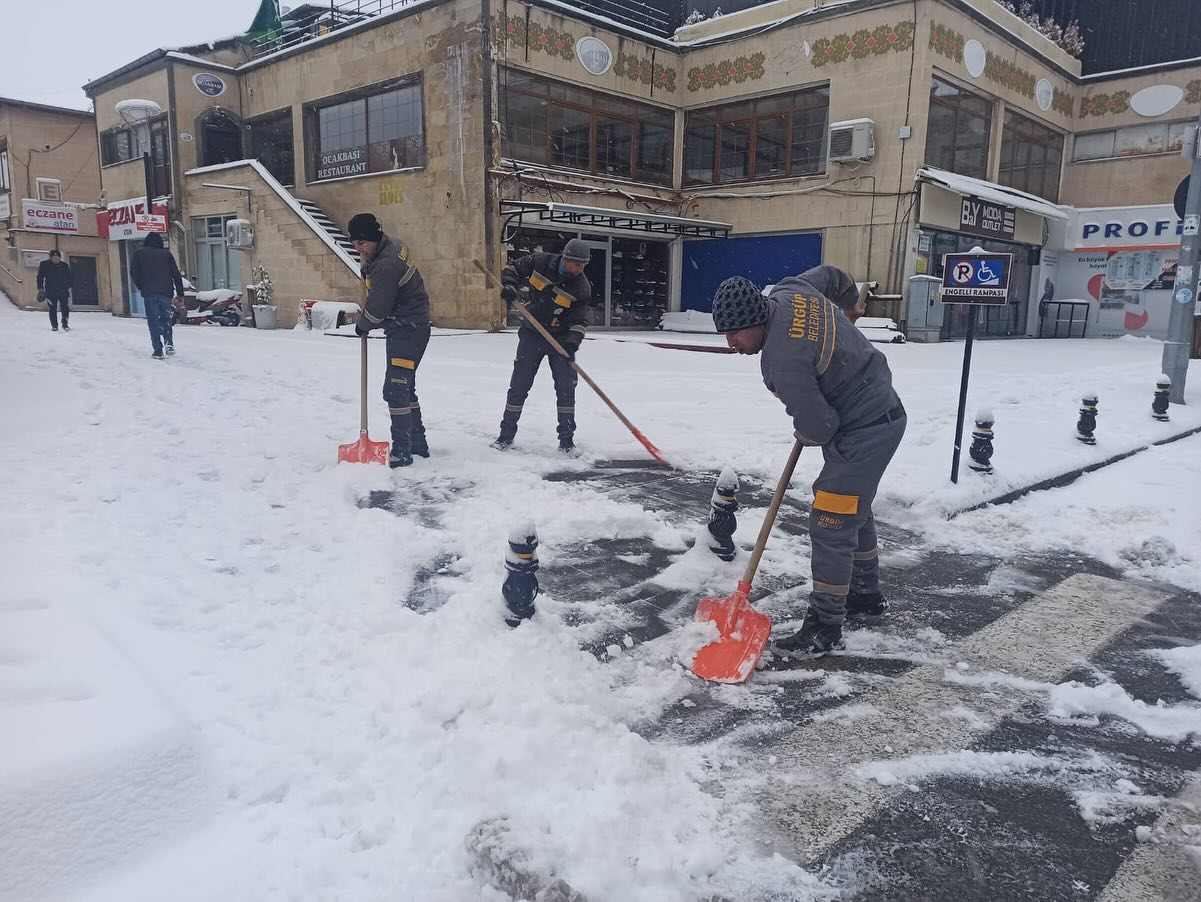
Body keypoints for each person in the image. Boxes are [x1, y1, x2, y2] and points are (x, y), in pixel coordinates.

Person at [710, 269, 906, 657]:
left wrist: (806, 429)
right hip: (881, 408)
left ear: (756, 319)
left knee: (831, 521)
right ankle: (865, 595)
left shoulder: (781, 362)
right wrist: (849, 305)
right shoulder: (791, 289)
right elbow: (835, 277)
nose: (731, 343)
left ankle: (824, 625)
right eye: (725, 334)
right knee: (852, 508)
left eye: (736, 333)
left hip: (864, 429)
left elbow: (820, 426)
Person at [492, 239, 592, 456]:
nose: (580, 269)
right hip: (532, 334)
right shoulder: (540, 262)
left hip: (561, 339)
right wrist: (510, 286)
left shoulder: (581, 286)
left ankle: (567, 442)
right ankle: (505, 437)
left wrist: (573, 342)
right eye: (577, 264)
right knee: (519, 386)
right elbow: (512, 268)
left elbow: (580, 320)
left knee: (566, 390)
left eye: (584, 265)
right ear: (566, 259)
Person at [348, 212, 431, 469]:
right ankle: (418, 444)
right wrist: (367, 267)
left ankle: (402, 452)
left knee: (395, 389)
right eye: (355, 244)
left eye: (362, 244)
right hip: (408, 325)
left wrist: (363, 325)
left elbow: (378, 307)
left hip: (408, 328)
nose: (358, 249)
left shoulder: (386, 263)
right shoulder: (390, 245)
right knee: (405, 388)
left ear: (374, 238)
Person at [130, 232, 183, 359]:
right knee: (166, 319)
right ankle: (169, 342)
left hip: (149, 293)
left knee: (153, 321)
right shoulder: (166, 254)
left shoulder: (139, 254)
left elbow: (134, 272)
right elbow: (176, 274)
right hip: (165, 292)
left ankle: (158, 350)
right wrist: (180, 293)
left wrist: (141, 285)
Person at [37, 250, 72, 332]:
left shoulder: (64, 265)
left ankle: (65, 323)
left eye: (58, 257)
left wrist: (67, 285)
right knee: (52, 308)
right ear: (50, 257)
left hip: (63, 290)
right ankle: (54, 325)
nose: (56, 259)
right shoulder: (44, 264)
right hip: (50, 291)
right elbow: (40, 277)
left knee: (65, 308)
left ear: (60, 257)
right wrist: (40, 289)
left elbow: (70, 277)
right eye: (54, 257)